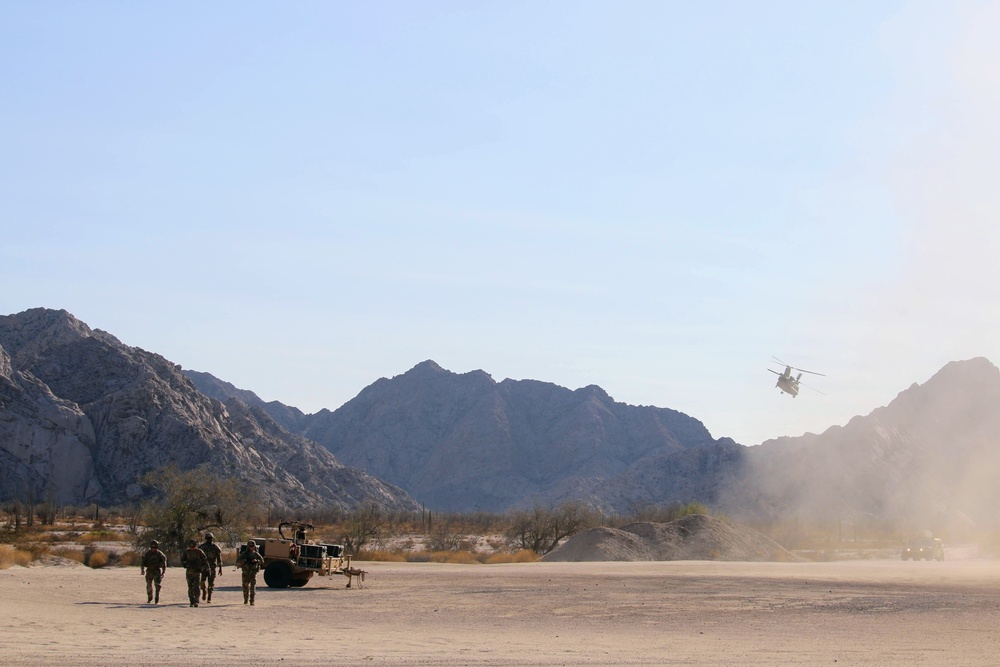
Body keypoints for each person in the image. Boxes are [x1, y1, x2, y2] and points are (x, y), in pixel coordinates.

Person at [180, 539, 209, 607]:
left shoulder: (199, 551)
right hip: (189, 571)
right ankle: (191, 600)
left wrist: (207, 569)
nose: (192, 548)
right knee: (190, 587)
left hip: (197, 571)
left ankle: (196, 601)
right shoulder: (187, 552)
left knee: (196, 587)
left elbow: (205, 560)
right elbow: (182, 560)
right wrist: (185, 564)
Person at [235, 540, 265, 605]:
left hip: (253, 572)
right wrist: (244, 561)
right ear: (248, 546)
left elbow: (262, 561)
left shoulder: (256, 554)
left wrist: (256, 561)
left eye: (253, 546)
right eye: (250, 546)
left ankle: (252, 600)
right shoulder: (244, 554)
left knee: (252, 587)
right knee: (245, 587)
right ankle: (245, 599)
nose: (251, 548)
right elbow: (238, 561)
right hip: (246, 572)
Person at [139, 539, 167, 604]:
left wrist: (163, 572)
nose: (153, 549)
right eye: (152, 547)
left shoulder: (160, 554)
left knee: (157, 585)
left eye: (155, 547)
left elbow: (164, 563)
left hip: (157, 571)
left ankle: (157, 597)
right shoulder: (147, 554)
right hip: (149, 571)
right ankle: (149, 598)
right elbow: (142, 562)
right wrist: (142, 570)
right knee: (149, 585)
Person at [198, 532, 223, 603]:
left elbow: (219, 558)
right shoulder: (201, 547)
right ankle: (204, 591)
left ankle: (209, 597)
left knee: (211, 583)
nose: (209, 540)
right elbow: (198, 557)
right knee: (202, 582)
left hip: (212, 567)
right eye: (208, 538)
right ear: (206, 539)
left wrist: (220, 568)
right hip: (204, 567)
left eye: (211, 538)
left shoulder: (215, 547)